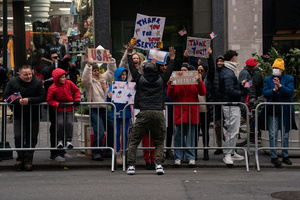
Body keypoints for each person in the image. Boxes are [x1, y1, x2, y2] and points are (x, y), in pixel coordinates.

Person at [126, 46, 176, 175]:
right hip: (158, 112)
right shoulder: (161, 80)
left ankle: (131, 165)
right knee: (159, 140)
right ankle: (158, 164)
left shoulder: (140, 79)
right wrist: (172, 58)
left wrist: (129, 54)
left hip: (143, 112)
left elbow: (132, 67)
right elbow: (169, 70)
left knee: (134, 140)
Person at [3, 65, 46, 171]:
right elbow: (6, 96)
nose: (28, 77)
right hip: (18, 115)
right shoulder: (13, 82)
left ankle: (28, 161)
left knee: (31, 139)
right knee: (18, 136)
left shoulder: (37, 82)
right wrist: (18, 101)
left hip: (34, 115)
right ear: (19, 74)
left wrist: (29, 100)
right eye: (25, 75)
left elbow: (43, 96)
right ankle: (20, 158)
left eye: (30, 74)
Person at [167, 65, 206, 167]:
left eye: (185, 70)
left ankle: (190, 157)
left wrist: (199, 82)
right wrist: (171, 84)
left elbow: (202, 92)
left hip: (190, 112)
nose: (183, 72)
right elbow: (170, 95)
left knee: (190, 136)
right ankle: (178, 157)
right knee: (178, 136)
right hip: (180, 112)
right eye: (182, 70)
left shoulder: (194, 81)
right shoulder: (176, 80)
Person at [262, 58, 297, 167]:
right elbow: (265, 92)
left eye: (277, 68)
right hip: (273, 109)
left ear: (282, 70)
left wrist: (280, 86)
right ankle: (274, 156)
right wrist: (273, 90)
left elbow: (290, 92)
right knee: (273, 134)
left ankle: (285, 155)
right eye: (274, 68)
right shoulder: (268, 79)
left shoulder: (289, 78)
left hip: (285, 109)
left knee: (285, 134)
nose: (275, 70)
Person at [42, 51, 76, 161]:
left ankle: (62, 150)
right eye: (54, 57)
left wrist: (70, 68)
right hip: (54, 106)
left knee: (65, 126)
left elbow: (72, 81)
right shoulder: (46, 66)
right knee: (56, 127)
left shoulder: (64, 69)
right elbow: (46, 73)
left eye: (58, 57)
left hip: (65, 105)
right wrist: (57, 64)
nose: (57, 59)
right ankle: (54, 153)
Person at [82, 54, 116, 161]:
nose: (96, 72)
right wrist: (88, 65)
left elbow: (111, 72)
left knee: (111, 129)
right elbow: (85, 79)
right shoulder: (89, 83)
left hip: (104, 108)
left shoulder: (102, 79)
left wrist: (111, 60)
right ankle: (96, 152)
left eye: (97, 70)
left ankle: (107, 150)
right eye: (94, 70)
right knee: (100, 132)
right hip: (95, 109)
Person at [219, 50, 245, 166]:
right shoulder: (228, 73)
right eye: (236, 58)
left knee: (234, 129)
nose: (237, 60)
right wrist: (241, 92)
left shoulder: (228, 71)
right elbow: (229, 89)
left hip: (231, 104)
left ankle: (232, 152)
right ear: (232, 59)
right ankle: (228, 154)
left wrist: (240, 85)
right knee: (232, 130)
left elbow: (229, 88)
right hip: (230, 104)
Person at [46, 68, 81, 149]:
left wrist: (77, 99)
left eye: (65, 77)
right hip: (59, 108)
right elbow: (49, 99)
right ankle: (60, 140)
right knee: (60, 123)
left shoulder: (69, 83)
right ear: (57, 78)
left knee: (69, 123)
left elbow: (76, 90)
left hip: (69, 107)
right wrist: (57, 104)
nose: (64, 79)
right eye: (62, 77)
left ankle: (68, 140)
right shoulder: (52, 87)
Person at [107, 67, 132, 165]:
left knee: (125, 133)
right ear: (118, 75)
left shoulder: (128, 85)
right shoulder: (113, 86)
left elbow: (132, 97)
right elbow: (108, 101)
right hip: (116, 112)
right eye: (122, 75)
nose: (124, 76)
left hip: (126, 113)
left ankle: (124, 151)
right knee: (117, 133)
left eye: (125, 74)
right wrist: (108, 97)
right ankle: (117, 153)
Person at [237, 58, 264, 146]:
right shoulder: (246, 73)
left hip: (247, 97)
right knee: (250, 116)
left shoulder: (249, 72)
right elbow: (247, 86)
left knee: (251, 116)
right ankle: (252, 134)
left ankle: (253, 135)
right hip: (246, 98)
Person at [157, 60, 174, 160]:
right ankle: (160, 149)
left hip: (170, 105)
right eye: (162, 65)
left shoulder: (172, 76)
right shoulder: (158, 76)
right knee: (160, 129)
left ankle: (168, 149)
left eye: (166, 65)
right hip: (161, 105)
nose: (164, 67)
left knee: (170, 129)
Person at [212, 55, 225, 155]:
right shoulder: (214, 72)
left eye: (221, 61)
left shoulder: (227, 72)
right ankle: (219, 145)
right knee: (217, 125)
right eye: (218, 61)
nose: (219, 63)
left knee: (229, 126)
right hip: (217, 102)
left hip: (226, 102)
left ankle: (231, 146)